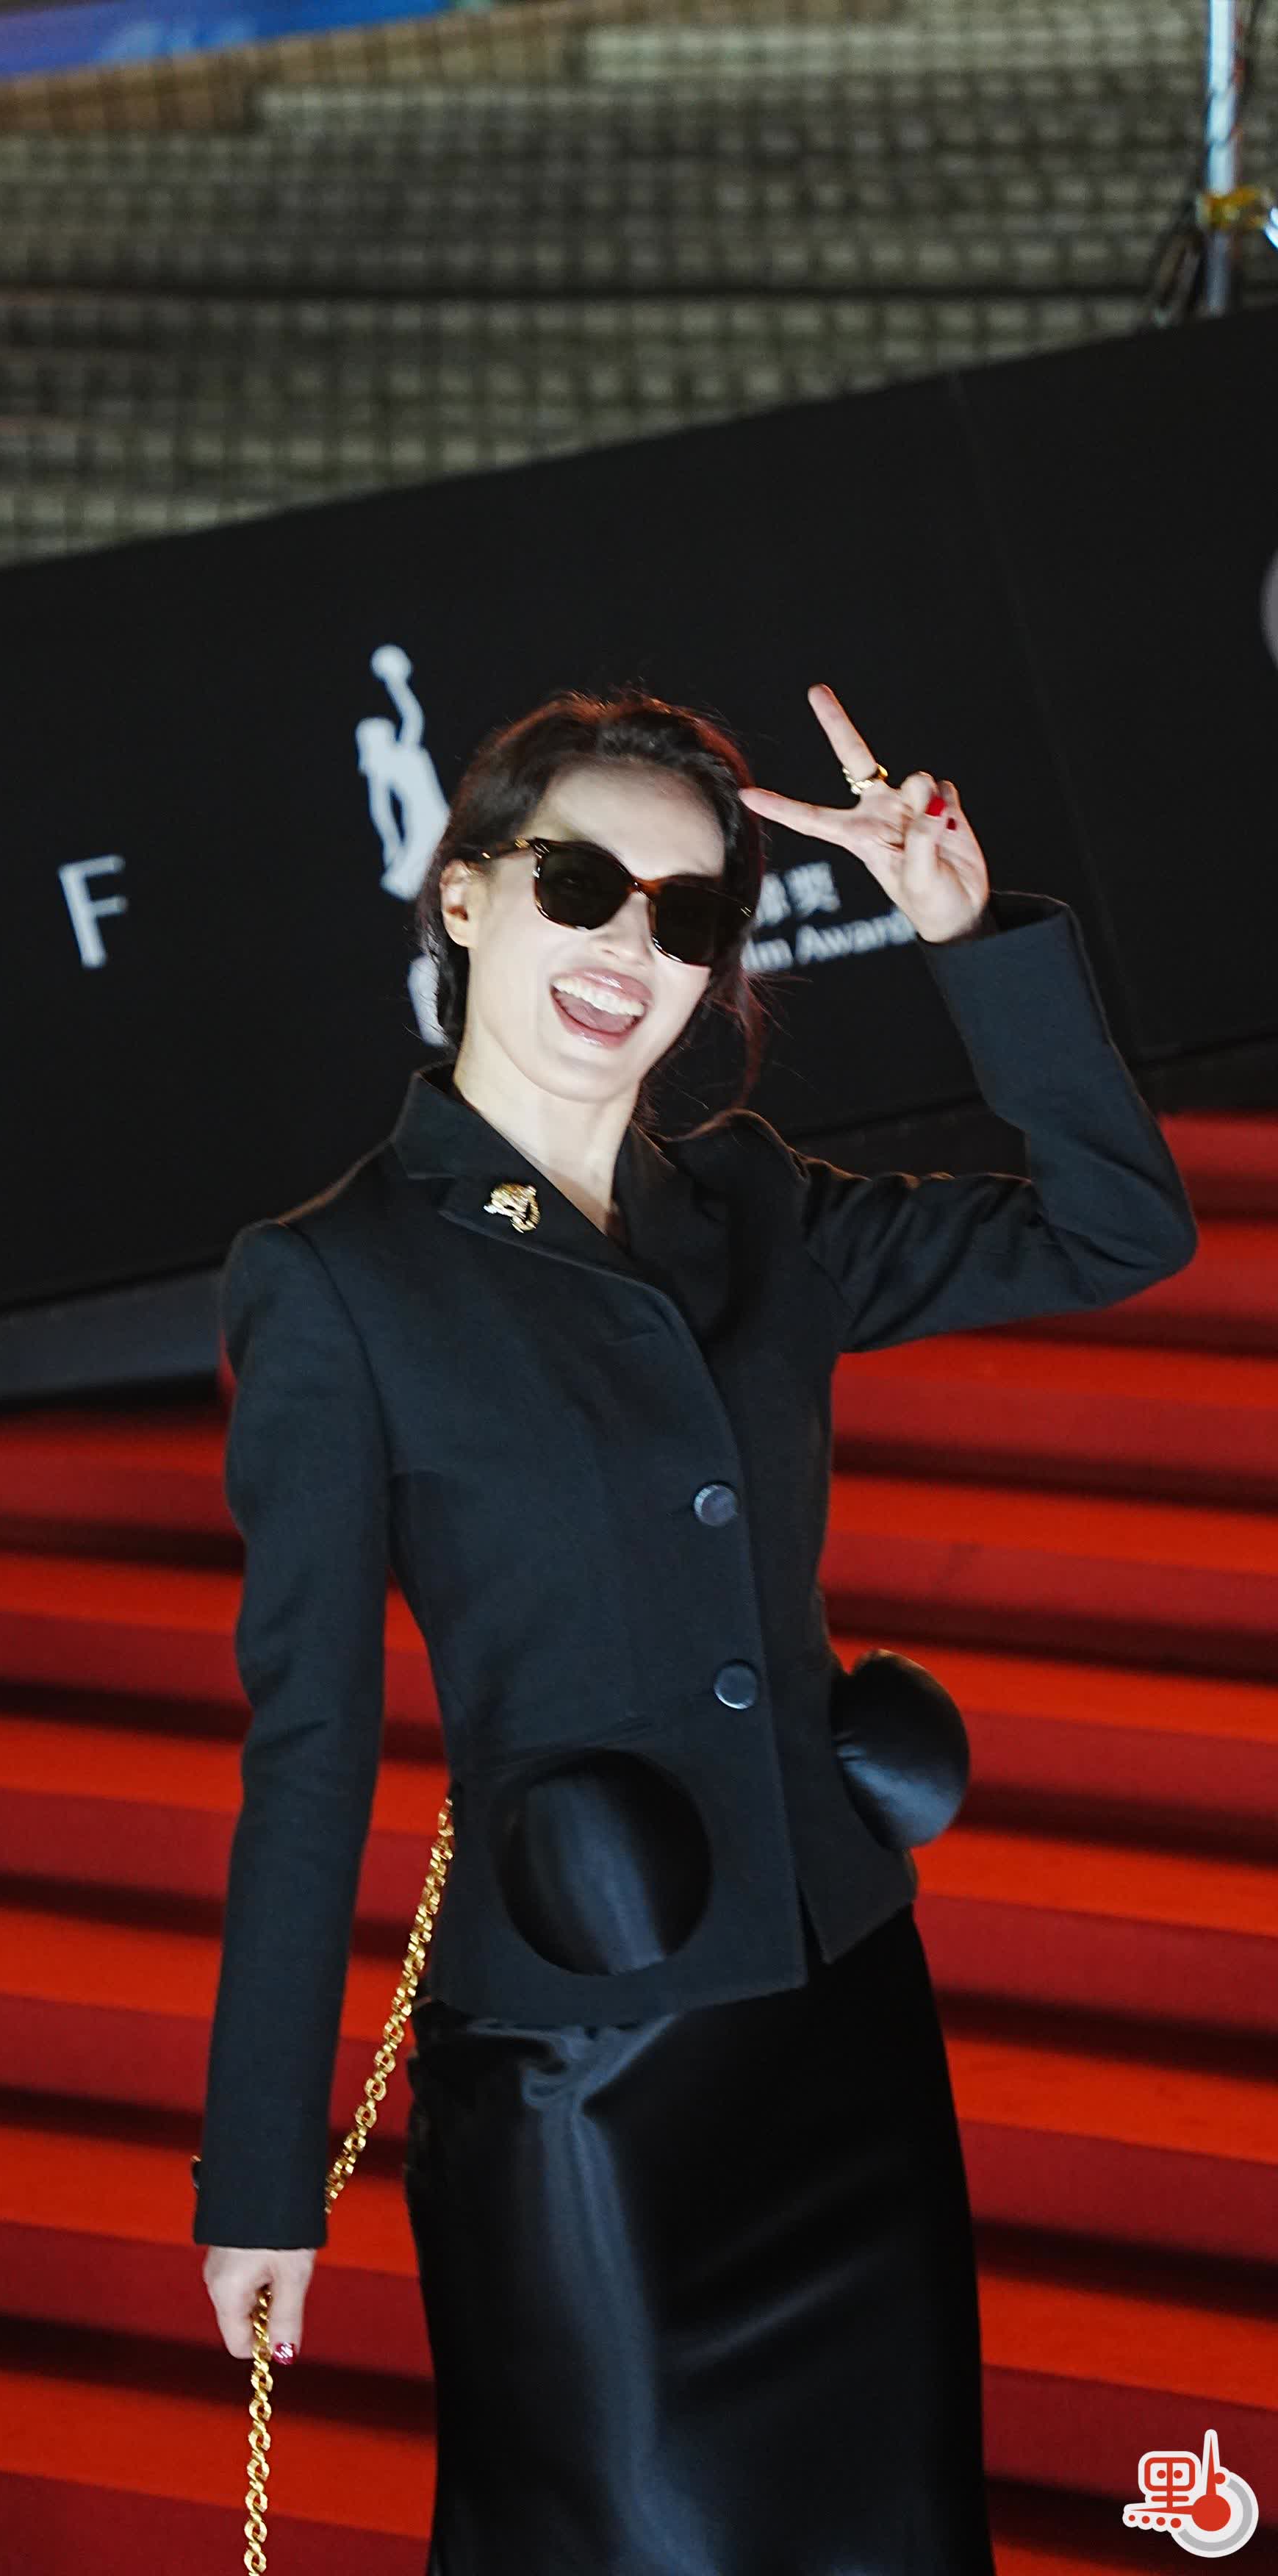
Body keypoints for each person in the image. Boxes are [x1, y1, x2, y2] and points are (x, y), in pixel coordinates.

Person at [193, 681, 1198, 2574]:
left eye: (689, 915)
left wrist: (964, 932)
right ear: (465, 894)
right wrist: (259, 2177)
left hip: (842, 2024)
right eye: (579, 885)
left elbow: (1118, 1230)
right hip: (585, 2079)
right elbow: (309, 1745)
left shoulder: (753, 1206)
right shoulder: (336, 1281)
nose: (628, 950)